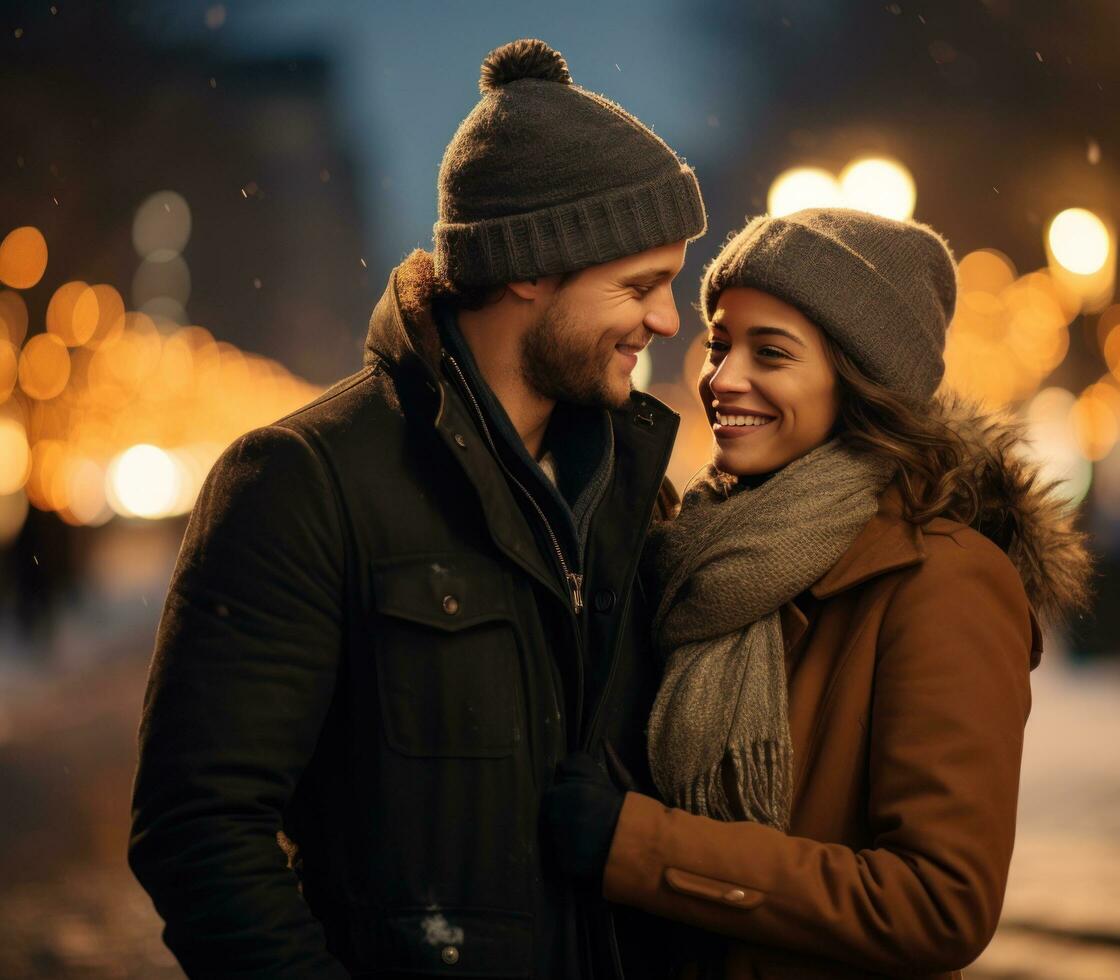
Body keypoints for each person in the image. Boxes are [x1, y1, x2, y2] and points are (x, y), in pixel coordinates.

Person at [129, 38, 706, 978]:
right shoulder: (300, 482)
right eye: (640, 286)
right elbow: (199, 832)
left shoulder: (630, 499)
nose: (668, 320)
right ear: (532, 269)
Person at [541, 209, 1092, 978]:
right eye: (722, 343)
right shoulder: (694, 554)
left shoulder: (940, 581)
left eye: (770, 353)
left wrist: (636, 844)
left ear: (859, 385)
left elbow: (939, 904)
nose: (722, 377)